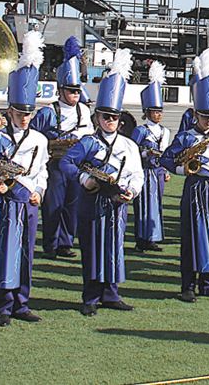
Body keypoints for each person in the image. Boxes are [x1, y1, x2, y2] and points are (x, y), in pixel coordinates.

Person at [60, 49, 144, 316]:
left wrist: (132, 191)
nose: (110, 121)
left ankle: (111, 293)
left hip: (117, 206)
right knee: (92, 249)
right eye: (105, 116)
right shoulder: (88, 141)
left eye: (115, 117)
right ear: (96, 117)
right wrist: (84, 179)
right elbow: (65, 163)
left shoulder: (129, 145)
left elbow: (137, 174)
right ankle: (90, 296)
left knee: (114, 248)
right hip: (91, 203)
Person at [0, 31, 48, 326]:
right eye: (20, 112)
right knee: (5, 253)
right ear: (10, 111)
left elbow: (42, 170)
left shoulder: (40, 140)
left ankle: (22, 303)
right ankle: (2, 307)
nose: (25, 117)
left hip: (28, 202)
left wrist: (39, 191)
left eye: (29, 112)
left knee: (27, 255)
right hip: (5, 203)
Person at [164, 48, 209, 303]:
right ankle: (188, 285)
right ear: (195, 115)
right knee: (191, 236)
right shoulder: (185, 136)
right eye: (205, 116)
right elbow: (166, 160)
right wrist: (183, 169)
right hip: (194, 187)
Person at [33, 36, 94, 258]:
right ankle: (50, 244)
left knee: (72, 205)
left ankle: (66, 242)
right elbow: (33, 136)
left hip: (76, 165)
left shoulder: (84, 111)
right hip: (55, 164)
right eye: (71, 91)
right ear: (60, 90)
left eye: (77, 91)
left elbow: (89, 135)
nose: (75, 95)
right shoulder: (47, 112)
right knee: (52, 206)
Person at [131, 61, 171, 252]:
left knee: (156, 204)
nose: (158, 115)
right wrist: (146, 153)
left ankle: (153, 237)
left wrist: (165, 169)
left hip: (157, 172)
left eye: (160, 111)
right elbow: (132, 152)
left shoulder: (165, 131)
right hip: (144, 171)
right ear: (146, 112)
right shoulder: (141, 130)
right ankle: (141, 239)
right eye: (155, 111)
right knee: (142, 204)